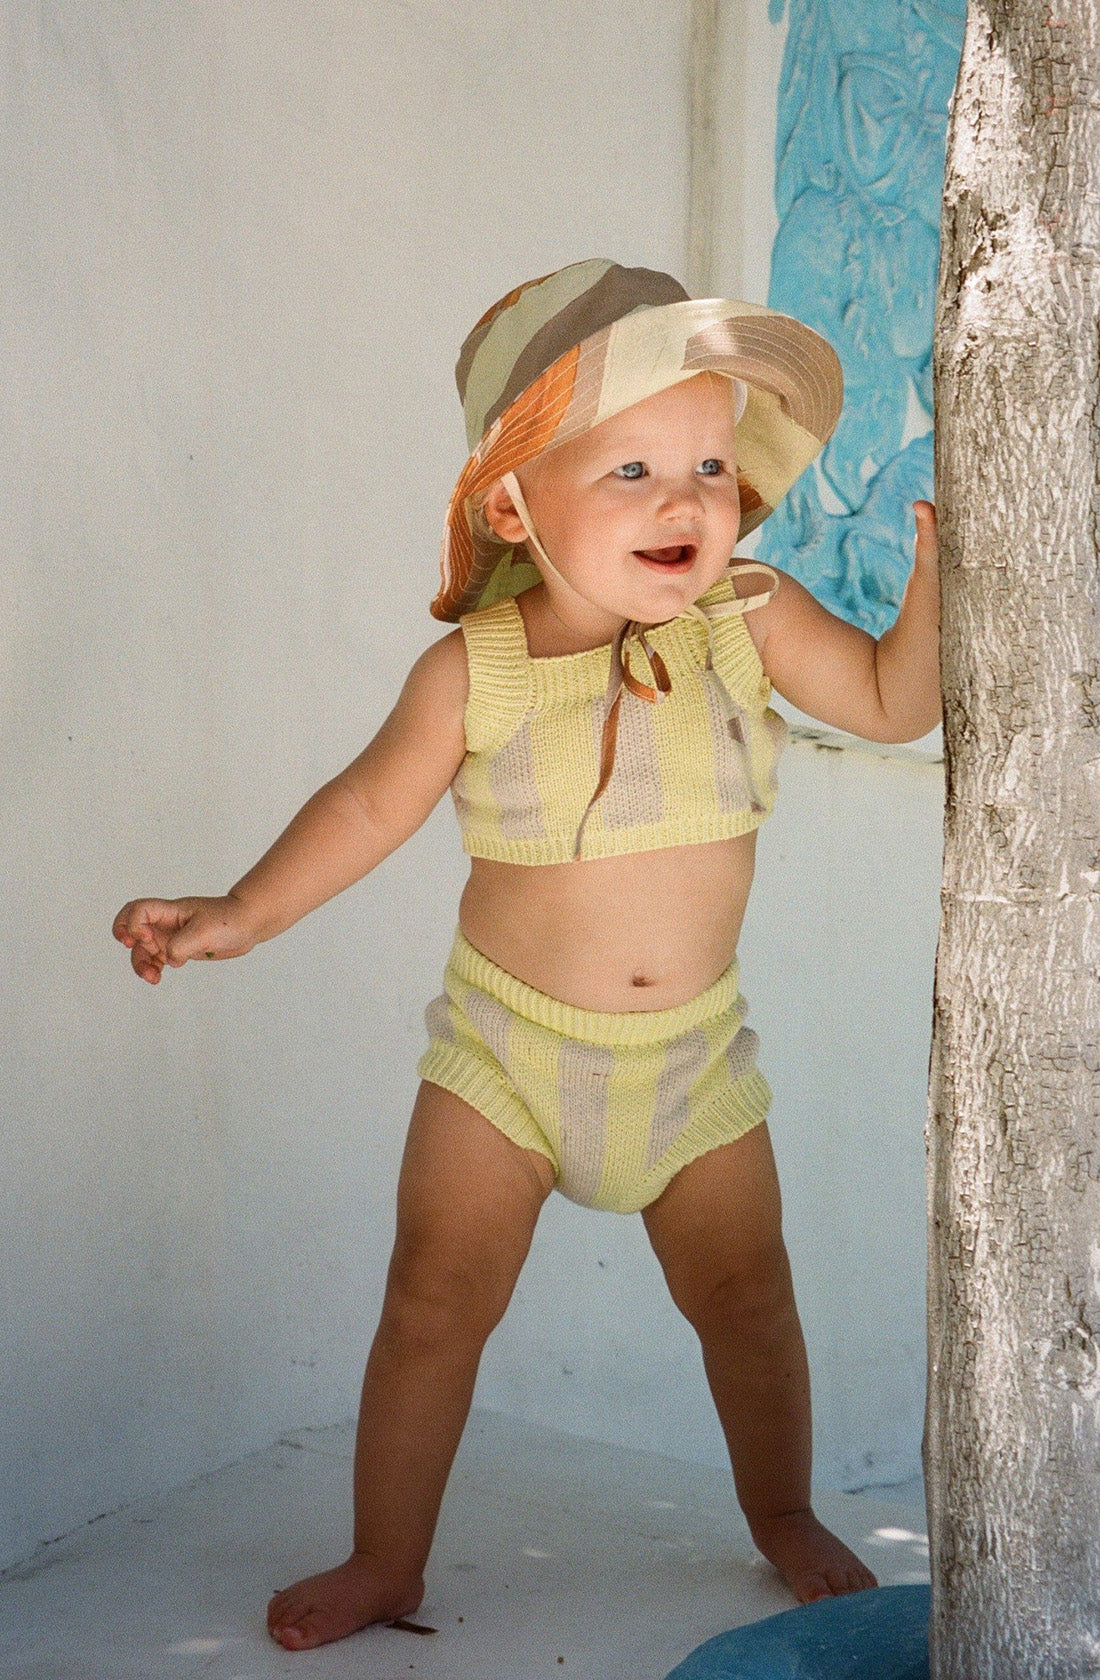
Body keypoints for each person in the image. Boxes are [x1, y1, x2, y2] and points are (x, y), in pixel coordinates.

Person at [113, 260, 941, 1652]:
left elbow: (890, 697)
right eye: (629, 468)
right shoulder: (476, 671)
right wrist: (242, 912)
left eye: (709, 465)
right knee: (433, 1297)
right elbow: (368, 805)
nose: (685, 500)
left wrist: (936, 582)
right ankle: (386, 1558)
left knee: (750, 1298)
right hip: (505, 1057)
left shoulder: (746, 621)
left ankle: (782, 1510)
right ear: (514, 504)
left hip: (693, 1067)